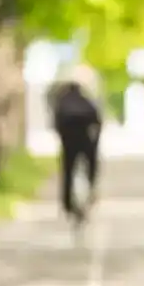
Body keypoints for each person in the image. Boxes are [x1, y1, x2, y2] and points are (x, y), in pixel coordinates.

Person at [50, 77, 102, 223]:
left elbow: (56, 123)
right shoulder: (85, 100)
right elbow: (97, 120)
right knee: (91, 165)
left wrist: (62, 137)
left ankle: (67, 203)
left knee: (68, 171)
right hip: (85, 138)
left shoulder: (62, 103)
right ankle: (91, 187)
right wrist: (95, 141)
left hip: (69, 141)